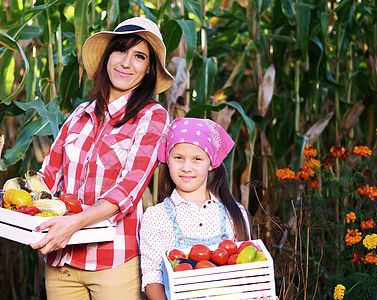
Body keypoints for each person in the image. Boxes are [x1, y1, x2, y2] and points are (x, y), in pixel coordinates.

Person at [29, 17, 174, 300]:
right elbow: (47, 177)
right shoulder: (80, 114)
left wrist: (74, 223)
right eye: (120, 50)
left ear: (148, 70)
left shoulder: (152, 117)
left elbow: (127, 191)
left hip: (114, 263)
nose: (126, 62)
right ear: (107, 57)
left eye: (139, 56)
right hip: (62, 263)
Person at [140, 117, 252, 299]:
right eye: (178, 158)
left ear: (211, 163)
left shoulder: (234, 212)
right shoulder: (155, 217)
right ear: (167, 160)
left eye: (197, 159)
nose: (186, 167)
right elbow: (153, 278)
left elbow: (246, 271)